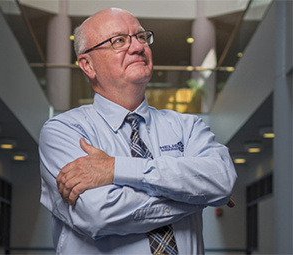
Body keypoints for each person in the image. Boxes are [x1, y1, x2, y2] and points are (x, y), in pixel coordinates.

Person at [39, 7, 237, 255]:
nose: (137, 47)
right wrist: (198, 195)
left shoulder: (187, 126)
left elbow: (221, 179)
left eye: (141, 37)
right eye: (119, 41)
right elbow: (99, 214)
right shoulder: (64, 132)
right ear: (87, 65)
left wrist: (117, 169)